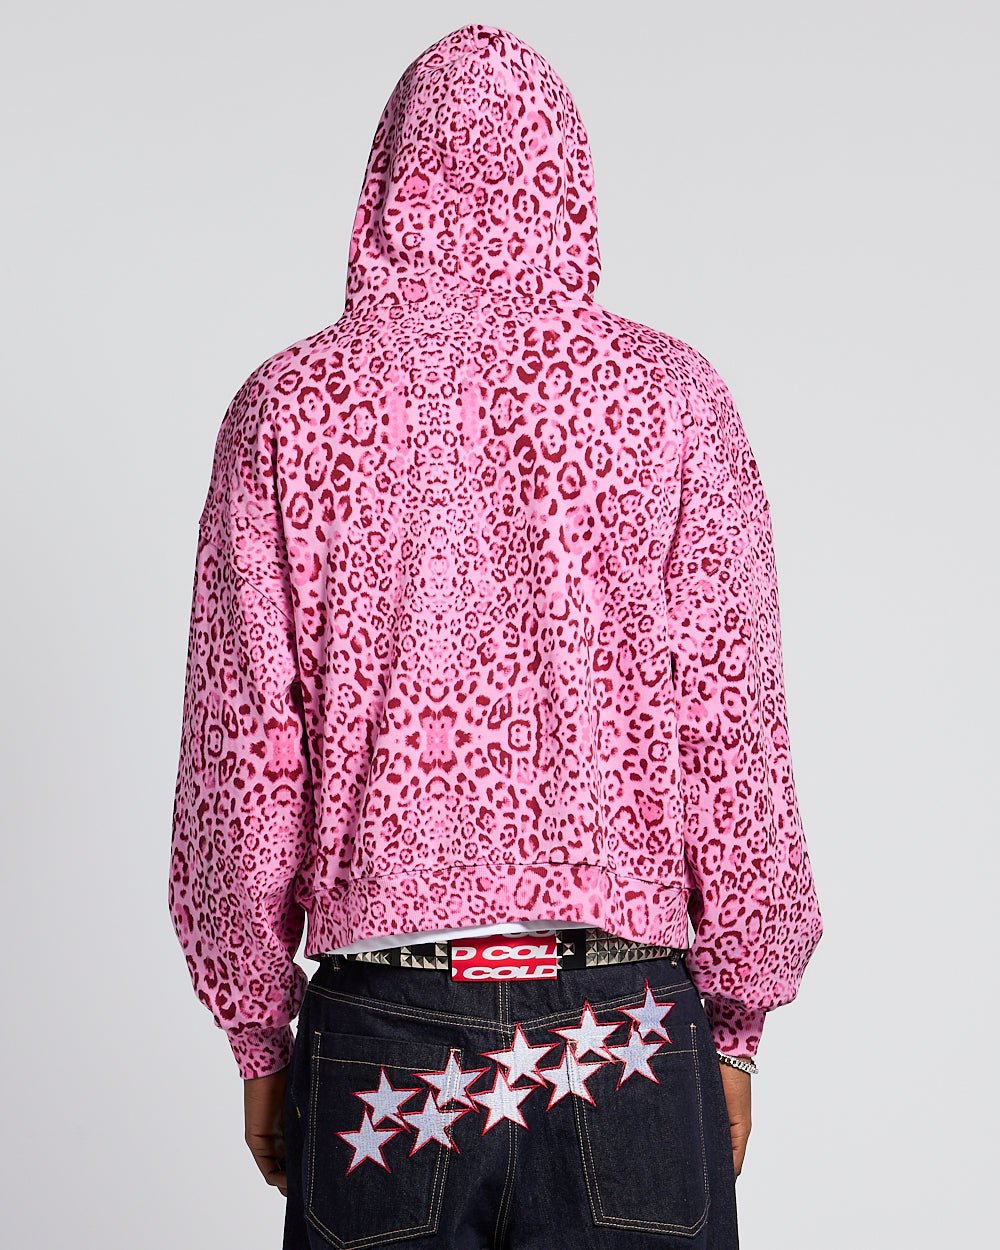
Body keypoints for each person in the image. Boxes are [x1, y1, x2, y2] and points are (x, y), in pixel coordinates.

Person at [168, 22, 823, 1250]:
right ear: (565, 175)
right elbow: (730, 725)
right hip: (627, 1032)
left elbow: (242, 753)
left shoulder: (286, 407)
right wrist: (736, 1023)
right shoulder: (672, 399)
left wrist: (259, 1033)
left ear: (386, 177)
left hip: (386, 1042)